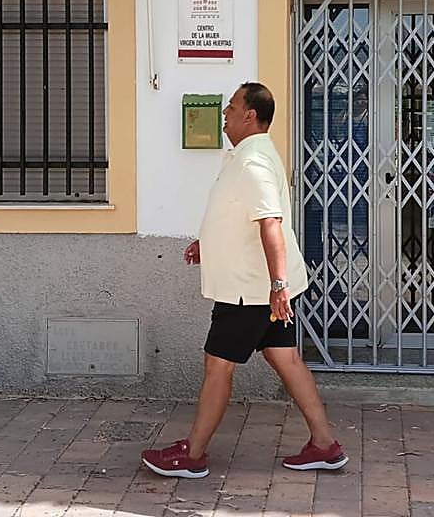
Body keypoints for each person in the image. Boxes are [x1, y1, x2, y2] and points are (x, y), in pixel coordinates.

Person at [140, 82, 347, 479]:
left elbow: (270, 222)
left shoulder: (253, 163)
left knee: (218, 366)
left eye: (232, 107)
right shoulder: (247, 157)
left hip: (249, 291)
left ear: (250, 115)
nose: (225, 112)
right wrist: (210, 241)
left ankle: (194, 454)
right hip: (256, 286)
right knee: (283, 356)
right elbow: (240, 214)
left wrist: (278, 286)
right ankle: (324, 444)